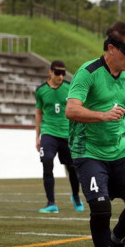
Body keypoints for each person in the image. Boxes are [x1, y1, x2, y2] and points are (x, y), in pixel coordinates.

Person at [66, 21, 125, 247]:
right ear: (111, 48)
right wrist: (102, 116)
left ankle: (117, 238)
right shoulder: (87, 72)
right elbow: (71, 110)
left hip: (119, 149)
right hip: (88, 150)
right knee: (101, 208)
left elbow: (121, 109)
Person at [34, 60, 83, 213]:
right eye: (57, 72)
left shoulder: (70, 88)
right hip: (49, 132)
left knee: (72, 168)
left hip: (67, 133)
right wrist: (38, 136)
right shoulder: (40, 90)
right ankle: (51, 203)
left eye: (63, 73)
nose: (61, 76)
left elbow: (78, 108)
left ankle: (75, 195)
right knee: (47, 162)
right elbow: (38, 112)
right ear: (50, 72)